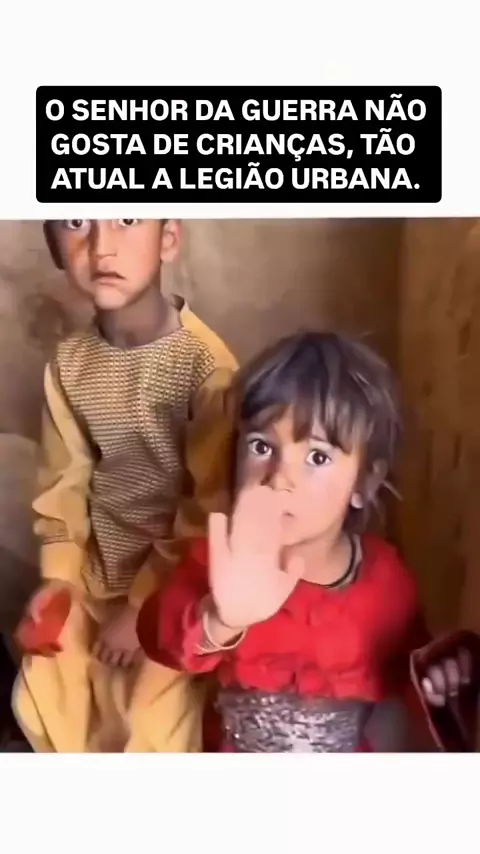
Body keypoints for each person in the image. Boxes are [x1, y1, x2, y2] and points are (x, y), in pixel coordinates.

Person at [137, 330, 470, 752]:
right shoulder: (222, 559)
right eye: (261, 446)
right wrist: (222, 620)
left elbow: (406, 675)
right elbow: (157, 637)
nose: (280, 477)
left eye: (317, 456)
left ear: (365, 482)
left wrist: (439, 681)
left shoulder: (385, 579)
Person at [12, 218, 237, 753]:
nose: (101, 246)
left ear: (168, 238)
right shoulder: (69, 364)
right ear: (55, 246)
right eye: (77, 222)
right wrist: (60, 579)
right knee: (48, 684)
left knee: (147, 719)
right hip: (92, 578)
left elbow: (210, 506)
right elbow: (64, 482)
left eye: (128, 219)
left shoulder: (206, 368)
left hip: (174, 589)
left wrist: (144, 608)